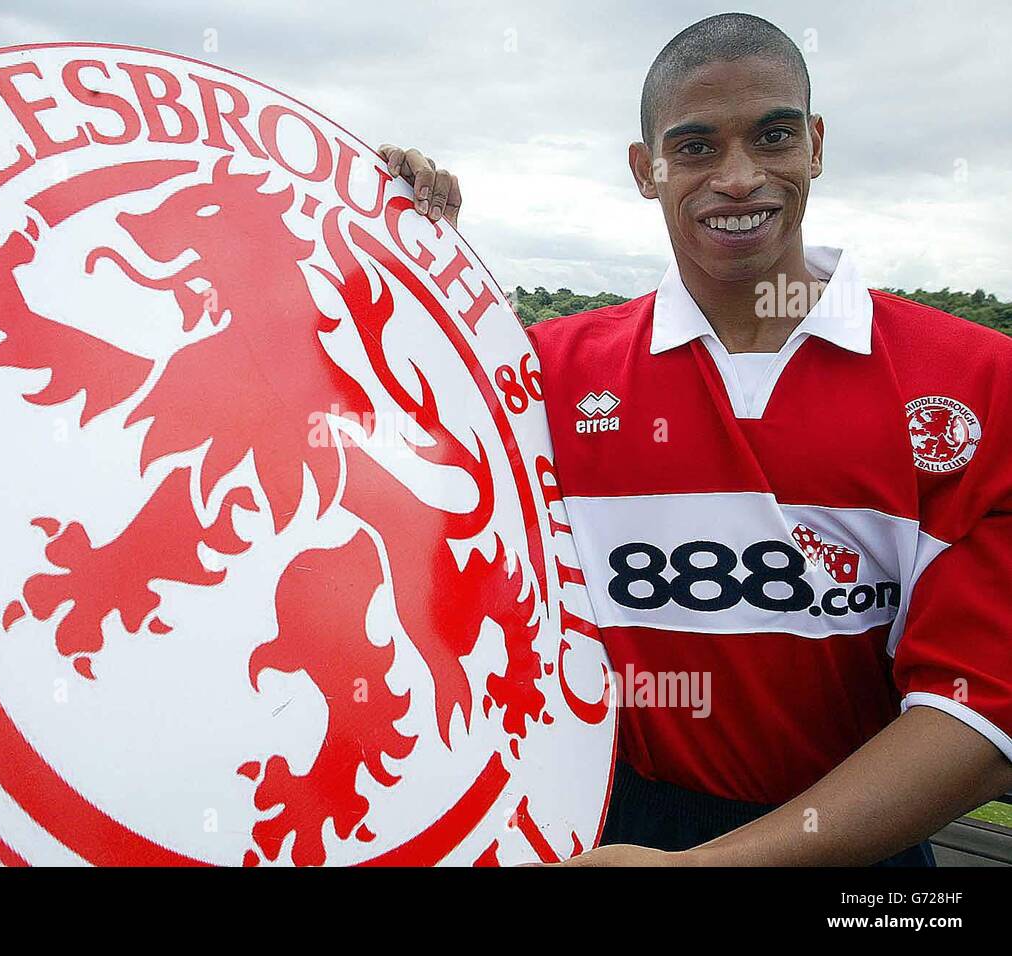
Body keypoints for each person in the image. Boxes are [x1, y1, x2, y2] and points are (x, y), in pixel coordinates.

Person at [381, 12, 1012, 865]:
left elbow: (979, 705)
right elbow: (374, 426)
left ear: (816, 145)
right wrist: (381, 232)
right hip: (608, 822)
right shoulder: (548, 369)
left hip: (861, 837)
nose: (740, 177)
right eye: (696, 147)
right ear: (646, 170)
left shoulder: (977, 379)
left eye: (773, 135)